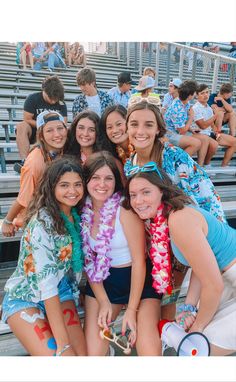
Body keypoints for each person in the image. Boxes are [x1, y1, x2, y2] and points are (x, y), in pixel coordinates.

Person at [124, 164, 236, 356]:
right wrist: (190, 308)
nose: (138, 200)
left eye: (145, 192)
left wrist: (197, 327)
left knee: (199, 347)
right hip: (226, 278)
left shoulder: (179, 219)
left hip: (225, 279)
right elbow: (201, 270)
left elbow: (213, 285)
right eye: (133, 195)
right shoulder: (172, 215)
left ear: (162, 191)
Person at [1, 157, 87, 356]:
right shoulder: (42, 224)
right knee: (60, 358)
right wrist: (63, 345)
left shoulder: (76, 216)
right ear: (51, 187)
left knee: (82, 358)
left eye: (77, 185)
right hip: (26, 297)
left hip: (61, 291)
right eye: (64, 185)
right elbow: (46, 287)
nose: (72, 191)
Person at [82, 151, 162, 356]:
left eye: (108, 178)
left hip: (139, 281)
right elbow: (89, 262)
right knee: (93, 355)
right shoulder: (81, 210)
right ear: (86, 180)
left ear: (116, 181)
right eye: (96, 178)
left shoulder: (125, 208)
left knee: (149, 351)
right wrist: (103, 301)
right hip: (103, 283)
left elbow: (139, 261)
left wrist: (132, 311)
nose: (102, 184)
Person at [2, 111, 68, 237]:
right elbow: (24, 198)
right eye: (49, 130)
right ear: (41, 135)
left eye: (60, 128)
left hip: (58, 214)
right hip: (39, 221)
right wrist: (8, 221)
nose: (57, 134)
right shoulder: (35, 162)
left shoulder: (62, 151)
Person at [15, 75, 67, 164]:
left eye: (56, 99)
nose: (53, 102)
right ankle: (25, 161)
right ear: (44, 91)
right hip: (35, 130)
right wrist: (43, 126)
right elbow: (27, 119)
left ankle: (62, 160)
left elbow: (63, 122)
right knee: (21, 126)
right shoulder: (32, 98)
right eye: (51, 98)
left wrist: (50, 128)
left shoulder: (61, 103)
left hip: (53, 132)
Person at [164, 81, 212, 167]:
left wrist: (191, 130)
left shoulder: (185, 102)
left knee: (205, 139)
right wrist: (191, 117)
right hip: (169, 135)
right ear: (190, 95)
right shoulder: (177, 107)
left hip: (178, 131)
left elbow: (183, 125)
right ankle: (176, 165)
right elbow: (182, 131)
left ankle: (200, 166)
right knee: (196, 143)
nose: (195, 95)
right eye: (194, 93)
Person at [192, 84, 236, 167]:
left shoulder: (208, 108)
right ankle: (204, 165)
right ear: (197, 95)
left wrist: (218, 133)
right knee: (213, 144)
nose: (206, 95)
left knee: (234, 142)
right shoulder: (195, 107)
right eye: (202, 93)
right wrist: (216, 115)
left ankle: (224, 167)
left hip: (210, 134)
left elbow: (212, 125)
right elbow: (203, 126)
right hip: (200, 134)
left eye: (207, 92)